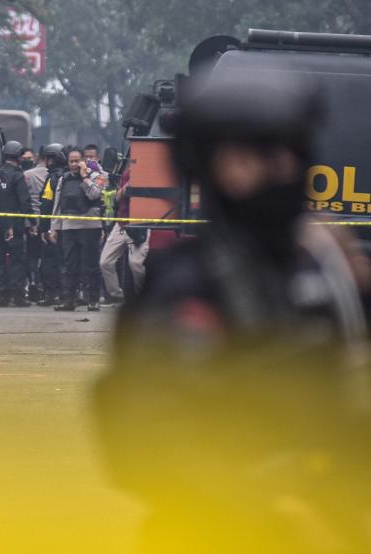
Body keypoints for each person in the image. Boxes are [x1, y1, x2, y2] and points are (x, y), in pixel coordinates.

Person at [97, 72, 371, 553]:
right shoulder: (187, 288)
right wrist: (262, 497)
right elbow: (143, 439)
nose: (282, 170)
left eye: (289, 153)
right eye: (258, 156)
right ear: (211, 165)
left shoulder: (326, 265)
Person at [47, 147, 104, 312]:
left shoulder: (96, 176)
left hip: (90, 227)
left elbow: (94, 195)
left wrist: (85, 176)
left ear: (84, 161)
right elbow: (57, 205)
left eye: (77, 161)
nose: (73, 164)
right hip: (68, 227)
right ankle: (69, 300)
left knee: (91, 265)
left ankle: (93, 300)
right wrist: (54, 228)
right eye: (71, 161)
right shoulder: (63, 179)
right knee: (69, 265)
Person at [0, 140, 36, 306]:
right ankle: (17, 295)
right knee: (17, 259)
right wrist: (32, 222)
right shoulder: (18, 175)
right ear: (18, 156)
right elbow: (25, 201)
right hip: (15, 224)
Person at [99, 166, 149, 307]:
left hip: (141, 224)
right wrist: (129, 185)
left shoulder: (150, 171)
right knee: (105, 262)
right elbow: (118, 196)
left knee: (136, 264)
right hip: (121, 224)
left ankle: (143, 299)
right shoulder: (128, 172)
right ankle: (117, 296)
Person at [36, 143, 67, 306]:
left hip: (52, 226)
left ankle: (53, 294)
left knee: (50, 261)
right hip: (64, 226)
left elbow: (46, 203)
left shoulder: (53, 177)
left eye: (48, 158)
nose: (46, 161)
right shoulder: (66, 175)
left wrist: (44, 227)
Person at [24, 147, 49, 300]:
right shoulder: (53, 175)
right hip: (48, 221)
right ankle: (43, 286)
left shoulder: (27, 175)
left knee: (31, 255)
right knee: (46, 255)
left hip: (30, 221)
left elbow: (24, 198)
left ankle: (32, 281)